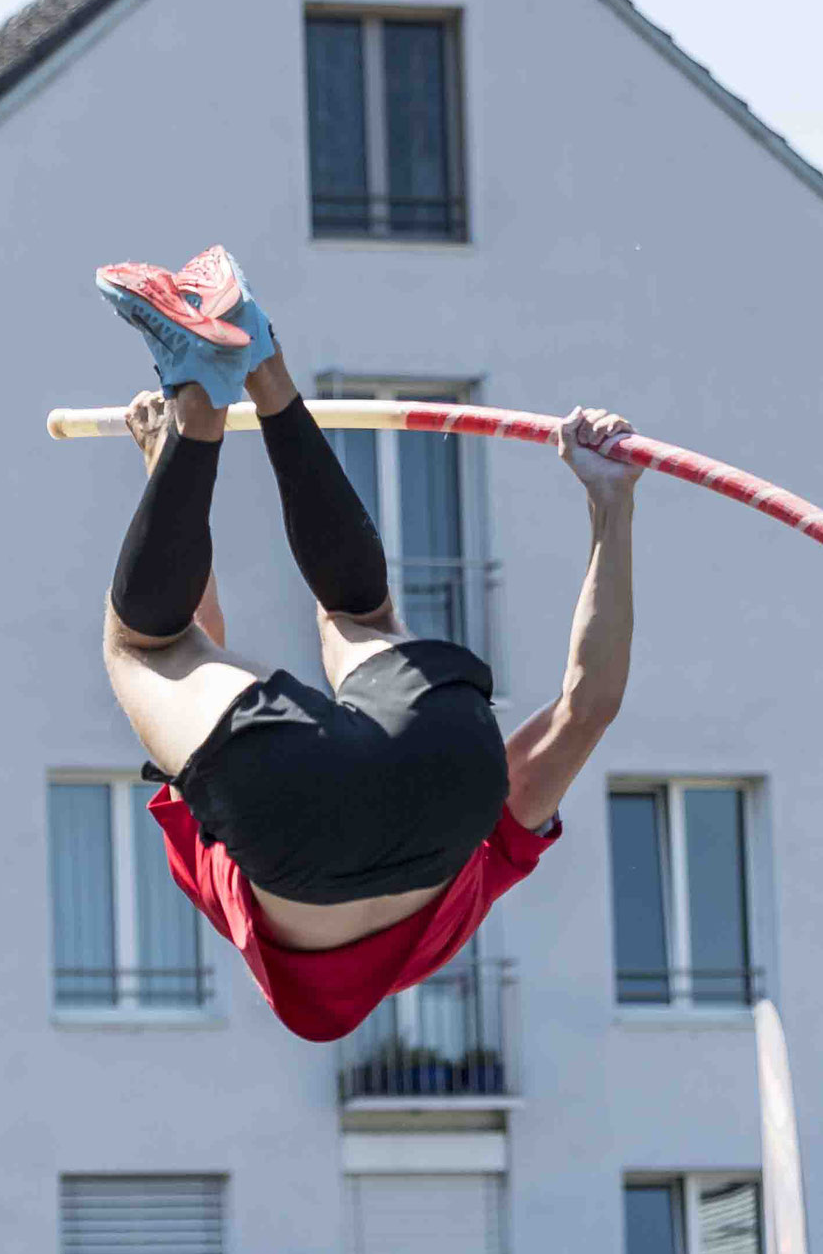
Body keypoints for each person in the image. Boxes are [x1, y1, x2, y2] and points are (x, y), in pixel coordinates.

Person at [93, 246, 640, 1042]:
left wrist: (609, 505)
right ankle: (204, 389)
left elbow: (587, 709)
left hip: (445, 774)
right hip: (292, 815)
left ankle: (260, 353)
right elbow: (193, 647)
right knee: (147, 649)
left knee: (364, 618)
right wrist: (167, 458)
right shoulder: (241, 915)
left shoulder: (462, 898)